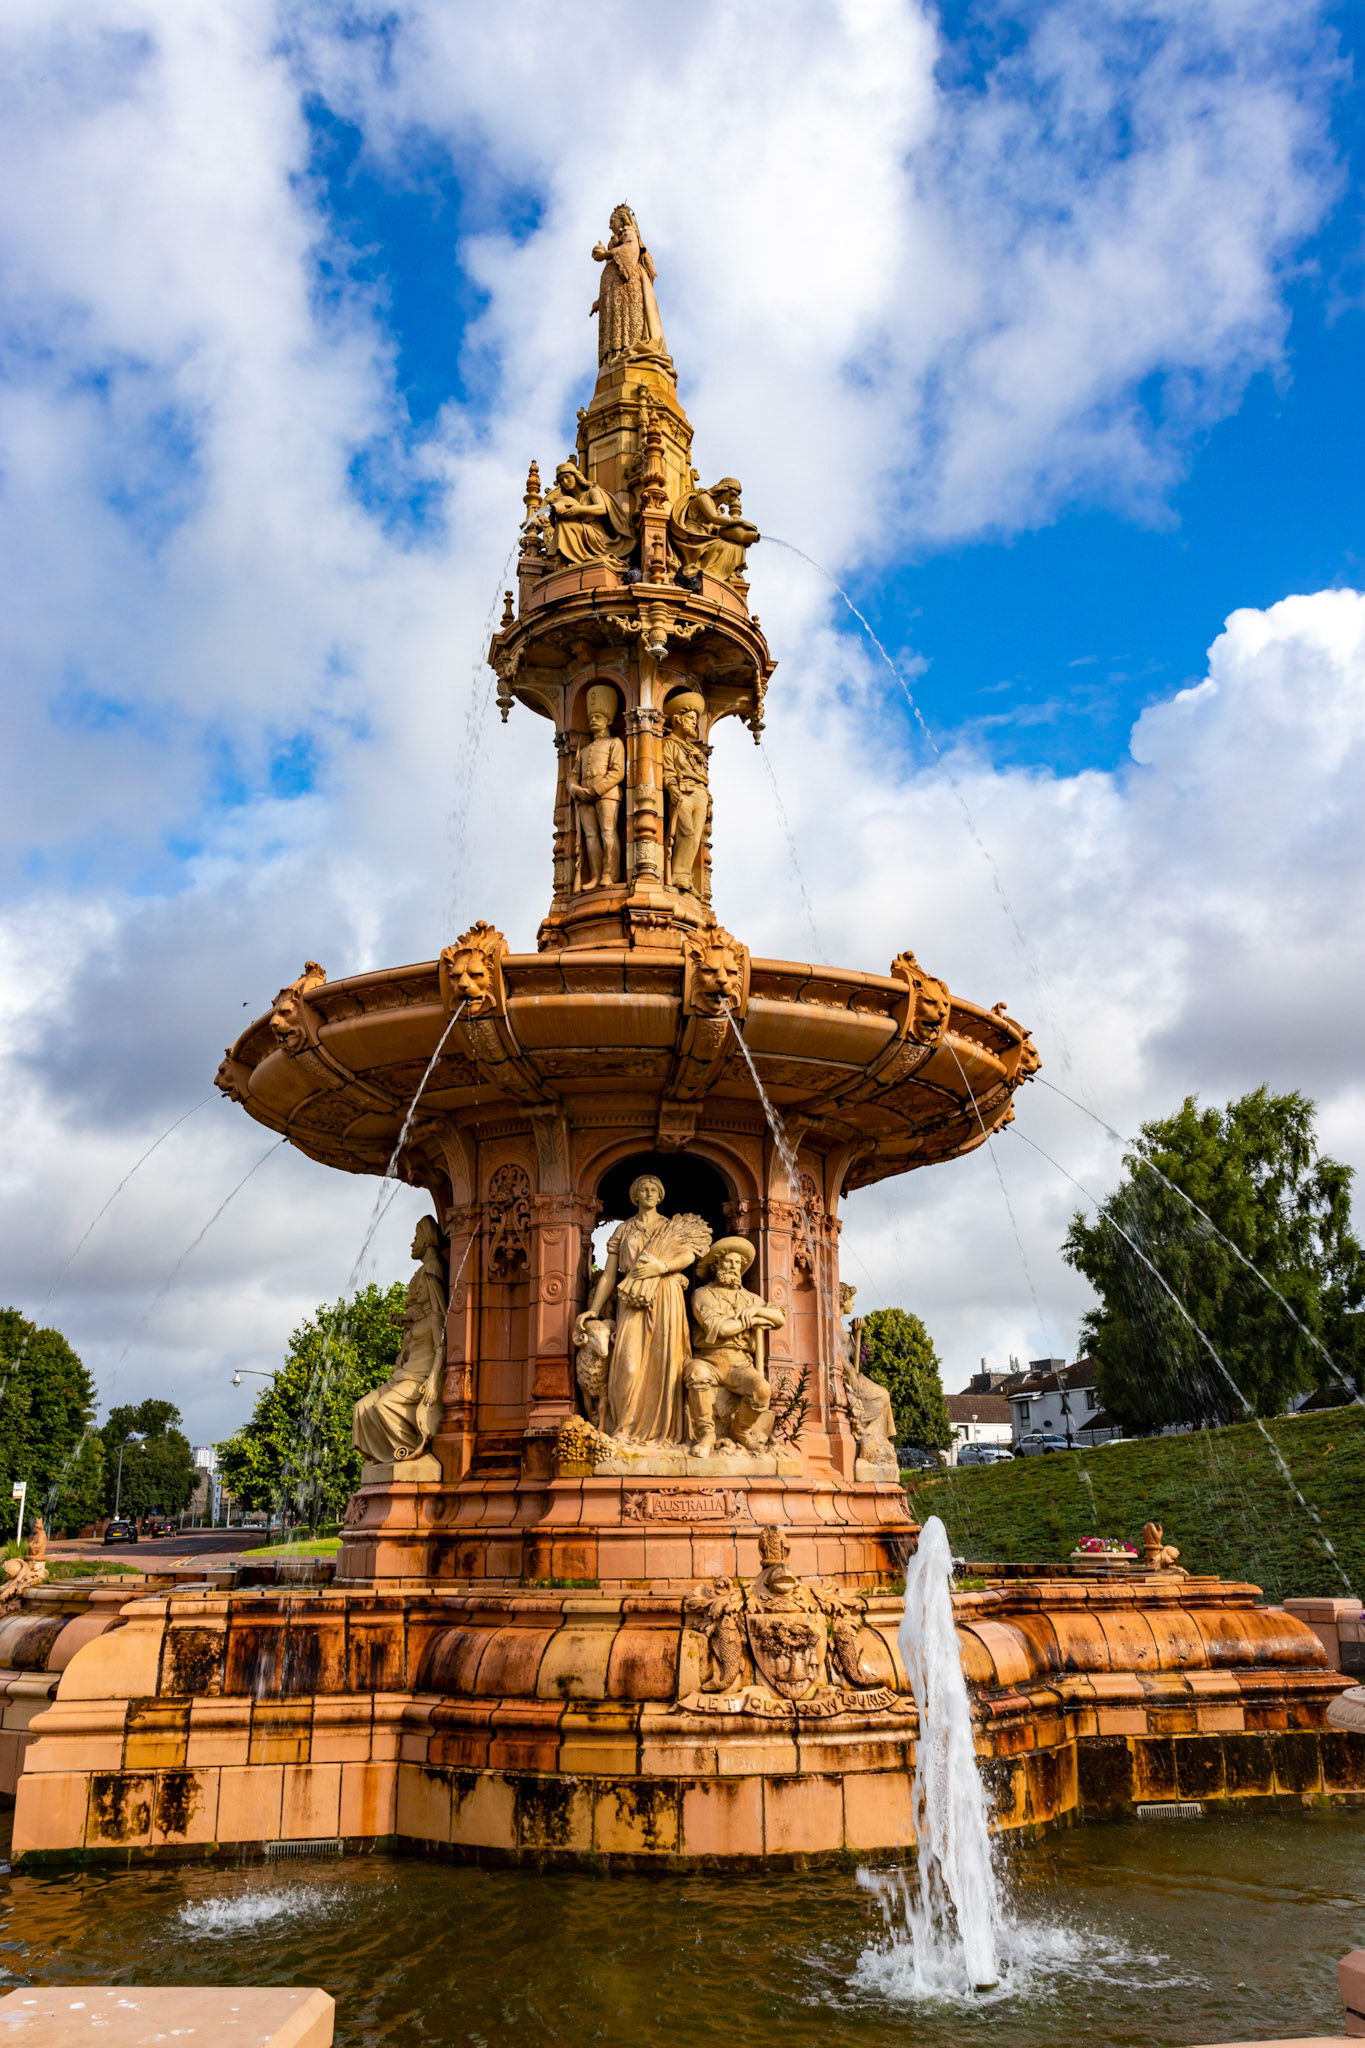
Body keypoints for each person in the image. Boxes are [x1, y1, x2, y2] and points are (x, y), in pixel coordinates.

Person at [574, 1175, 708, 1445]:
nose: (648, 1193)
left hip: (666, 1296)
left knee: (665, 1366)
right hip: (631, 1298)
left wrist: (662, 1267)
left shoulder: (671, 1227)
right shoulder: (623, 1229)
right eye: (643, 1189)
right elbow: (609, 1275)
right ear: (635, 1196)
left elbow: (690, 1255)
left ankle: (664, 1432)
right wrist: (594, 1310)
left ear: (660, 1196)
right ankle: (624, 1429)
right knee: (628, 1365)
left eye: (653, 1190)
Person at [352, 1216, 448, 1465]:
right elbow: (416, 1314)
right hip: (402, 1376)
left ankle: (412, 1452)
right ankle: (385, 1459)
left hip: (418, 1378)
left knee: (384, 1406)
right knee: (361, 1408)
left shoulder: (436, 1314)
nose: (412, 1244)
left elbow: (442, 1346)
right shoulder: (419, 1318)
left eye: (416, 1238)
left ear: (427, 1241)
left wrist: (434, 1380)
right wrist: (406, 1320)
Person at [685, 1237, 786, 1454]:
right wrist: (750, 1321)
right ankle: (706, 1434)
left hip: (740, 1363)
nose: (734, 1267)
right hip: (709, 1359)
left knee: (762, 1390)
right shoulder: (703, 1294)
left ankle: (740, 1430)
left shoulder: (751, 1299)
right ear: (716, 1266)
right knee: (696, 1374)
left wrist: (757, 1311)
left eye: (738, 1263)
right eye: (729, 1262)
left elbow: (780, 1318)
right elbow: (721, 1329)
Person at [590, 204, 668, 366]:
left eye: (612, 221)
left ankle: (625, 353)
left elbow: (631, 250)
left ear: (621, 219)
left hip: (627, 285)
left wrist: (605, 254)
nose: (610, 226)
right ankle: (614, 358)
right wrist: (601, 300)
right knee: (615, 321)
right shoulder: (617, 239)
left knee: (626, 318)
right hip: (614, 288)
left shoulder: (629, 232)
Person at [568, 685, 625, 888]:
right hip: (584, 796)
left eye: (598, 717)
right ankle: (594, 876)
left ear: (608, 720)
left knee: (608, 832)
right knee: (590, 837)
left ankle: (609, 875)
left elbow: (618, 771)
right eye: (591, 717)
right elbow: (572, 776)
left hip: (606, 793)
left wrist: (595, 790)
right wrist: (576, 790)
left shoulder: (615, 742)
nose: (593, 720)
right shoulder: (584, 751)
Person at [529, 461, 634, 568]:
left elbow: (602, 508)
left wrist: (580, 509)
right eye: (561, 480)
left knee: (564, 526)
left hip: (597, 535)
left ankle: (569, 560)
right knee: (561, 525)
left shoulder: (592, 492)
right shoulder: (569, 500)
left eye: (567, 477)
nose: (565, 482)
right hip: (581, 533)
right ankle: (565, 562)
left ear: (576, 476)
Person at [662, 691, 710, 892]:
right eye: (690, 718)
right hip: (683, 792)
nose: (694, 724)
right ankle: (679, 875)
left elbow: (703, 776)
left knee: (696, 838)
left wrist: (708, 798)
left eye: (696, 720)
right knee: (686, 833)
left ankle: (687, 877)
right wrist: (672, 787)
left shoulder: (696, 751)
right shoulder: (669, 744)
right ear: (678, 719)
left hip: (700, 794)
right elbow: (667, 770)